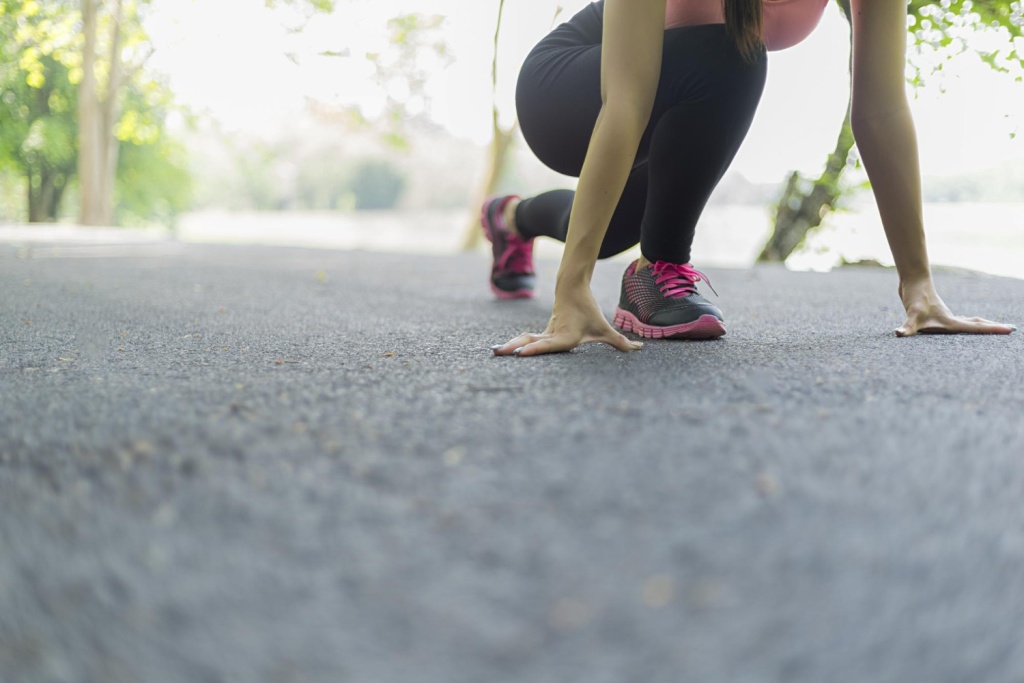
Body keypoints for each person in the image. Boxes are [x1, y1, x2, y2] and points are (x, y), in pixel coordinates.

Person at [483, 0, 1016, 358]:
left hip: (675, 101)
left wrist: (919, 286)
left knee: (613, 229)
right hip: (568, 89)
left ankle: (510, 218)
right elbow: (627, 98)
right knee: (734, 52)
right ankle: (661, 264)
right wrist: (570, 289)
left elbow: (880, 109)